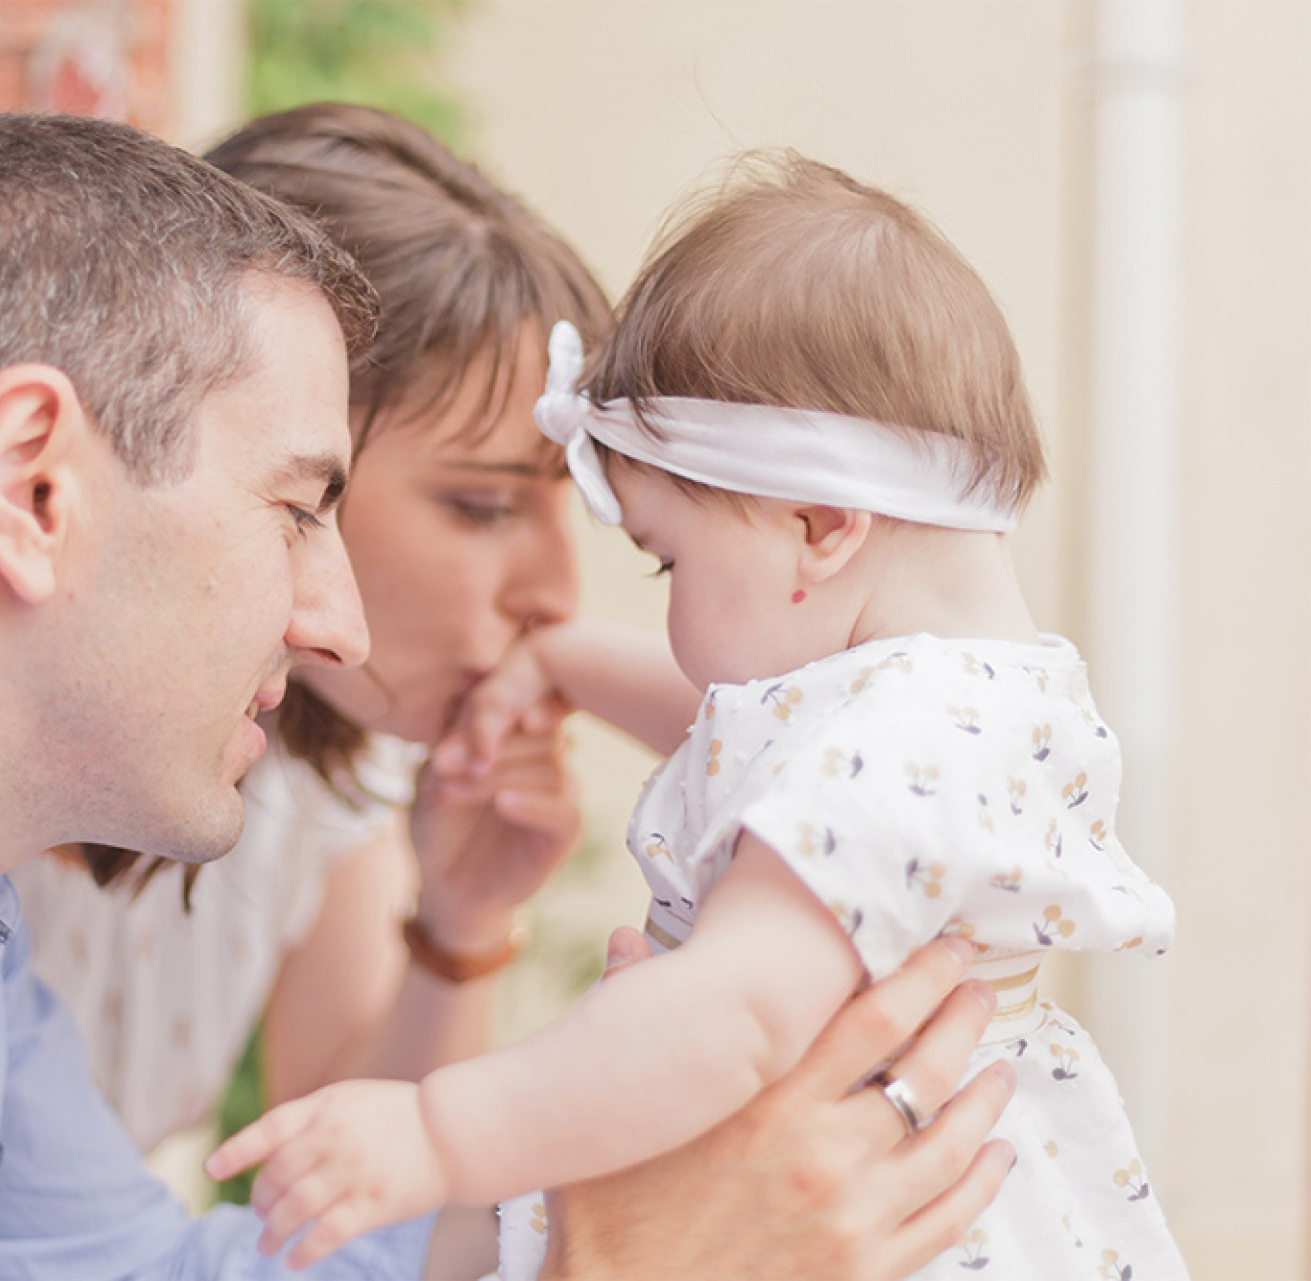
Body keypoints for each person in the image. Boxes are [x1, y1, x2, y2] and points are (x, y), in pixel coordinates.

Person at [0, 115, 1014, 1278]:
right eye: (297, 509)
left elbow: (147, 1271)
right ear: (33, 485)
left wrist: (584, 1210)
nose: (334, 620)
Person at [209, 154, 1183, 1280]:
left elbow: (734, 1020)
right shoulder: (971, 707)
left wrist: (441, 1135)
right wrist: (561, 664)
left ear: (822, 527)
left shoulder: (906, 739)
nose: (660, 610)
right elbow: (749, 737)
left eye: (667, 563)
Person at [12, 101, 603, 1157]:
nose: (557, 592)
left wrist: (460, 924)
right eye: (483, 505)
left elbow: (344, 1216)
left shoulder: (311, 777)